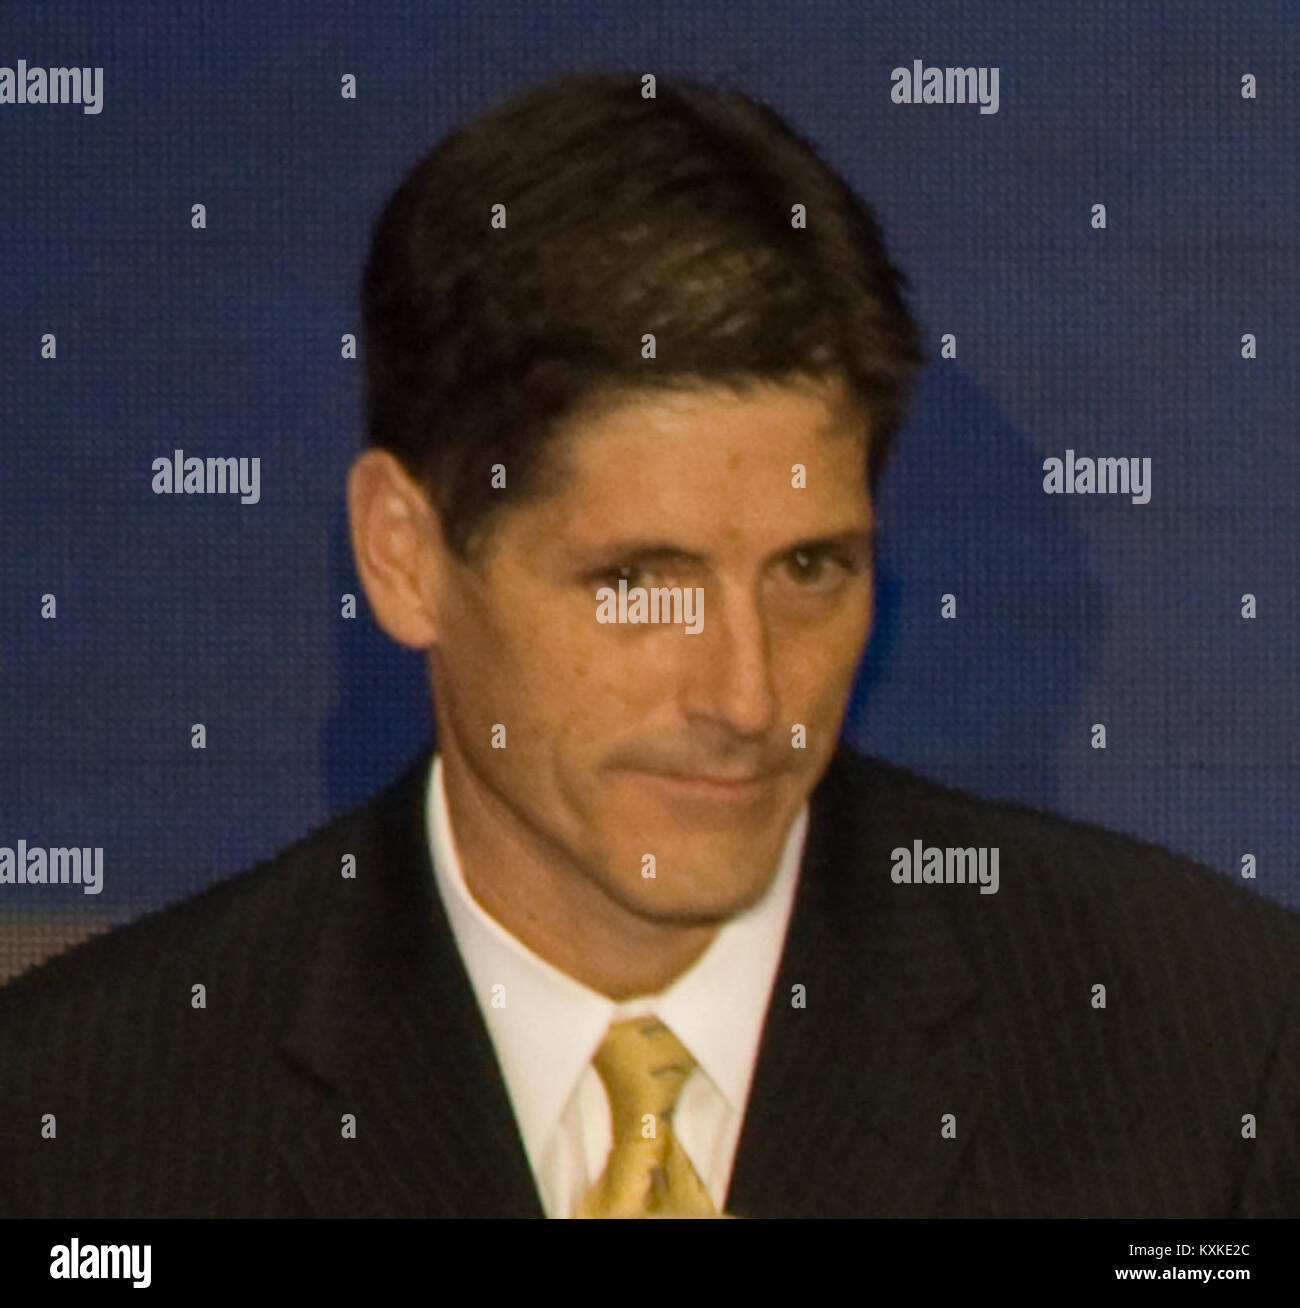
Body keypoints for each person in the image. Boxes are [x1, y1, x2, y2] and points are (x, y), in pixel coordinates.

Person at [0, 69, 1296, 1220]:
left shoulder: (1209, 1061)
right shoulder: (79, 1126)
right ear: (405, 553)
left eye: (808, 570)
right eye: (639, 582)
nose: (747, 693)